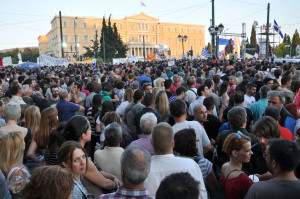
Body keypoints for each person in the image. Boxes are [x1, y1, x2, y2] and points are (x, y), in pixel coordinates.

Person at [144, 122, 207, 198]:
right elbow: (202, 195)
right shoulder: (191, 165)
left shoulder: (144, 169)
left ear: (151, 142)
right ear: (173, 143)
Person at [63, 116, 119, 195]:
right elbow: (105, 183)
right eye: (89, 129)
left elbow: (94, 171)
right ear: (83, 135)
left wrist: (112, 177)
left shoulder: (69, 150)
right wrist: (118, 184)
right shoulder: (82, 160)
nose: (91, 131)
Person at [243, 116, 281, 181]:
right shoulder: (252, 152)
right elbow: (246, 177)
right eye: (259, 136)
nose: (262, 141)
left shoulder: (284, 150)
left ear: (274, 135)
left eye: (266, 137)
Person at [220, 132, 253, 199]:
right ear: (235, 153)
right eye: (247, 151)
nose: (251, 153)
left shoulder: (224, 166)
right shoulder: (244, 180)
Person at [0, 131, 30, 197]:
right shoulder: (17, 172)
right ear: (18, 147)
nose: (24, 143)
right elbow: (19, 194)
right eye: (23, 141)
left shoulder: (4, 163)